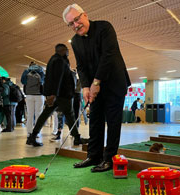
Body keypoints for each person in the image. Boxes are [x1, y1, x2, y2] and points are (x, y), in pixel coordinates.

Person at [63, 4, 131, 172]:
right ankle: (93, 156)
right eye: (70, 24)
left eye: (77, 19)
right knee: (95, 120)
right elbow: (81, 65)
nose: (75, 25)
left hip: (114, 82)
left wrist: (96, 83)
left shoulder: (104, 27)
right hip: (94, 85)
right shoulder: (76, 41)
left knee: (113, 122)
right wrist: (85, 86)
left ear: (84, 15)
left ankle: (109, 159)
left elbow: (108, 56)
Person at [26, 43, 87, 147]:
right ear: (62, 50)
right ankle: (76, 138)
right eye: (66, 50)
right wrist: (53, 94)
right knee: (70, 115)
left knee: (45, 114)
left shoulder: (54, 60)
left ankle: (32, 136)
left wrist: (51, 94)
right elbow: (57, 78)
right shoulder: (59, 61)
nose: (68, 52)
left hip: (57, 94)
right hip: (62, 94)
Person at [21, 62, 45, 139]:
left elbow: (23, 82)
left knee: (30, 114)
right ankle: (37, 132)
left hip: (29, 95)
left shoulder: (26, 71)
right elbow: (43, 81)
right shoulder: (41, 71)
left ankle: (29, 132)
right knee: (39, 114)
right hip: (39, 95)